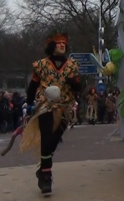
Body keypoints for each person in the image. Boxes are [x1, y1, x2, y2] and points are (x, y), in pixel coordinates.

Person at [24, 33, 82, 195]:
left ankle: (43, 169)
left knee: (54, 141)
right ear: (51, 46)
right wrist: (29, 104)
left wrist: (74, 84)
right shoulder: (42, 65)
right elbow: (33, 86)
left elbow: (79, 88)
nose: (62, 45)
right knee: (47, 138)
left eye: (64, 43)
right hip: (45, 105)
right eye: (58, 43)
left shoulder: (72, 66)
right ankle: (46, 177)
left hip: (64, 107)